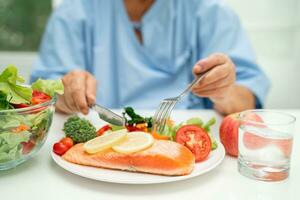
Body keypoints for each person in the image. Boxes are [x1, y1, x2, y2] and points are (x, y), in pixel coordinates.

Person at [31, 0, 270, 115]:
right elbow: (43, 98)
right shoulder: (74, 12)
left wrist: (224, 91)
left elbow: (247, 101)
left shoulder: (211, 12)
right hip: (97, 143)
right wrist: (67, 93)